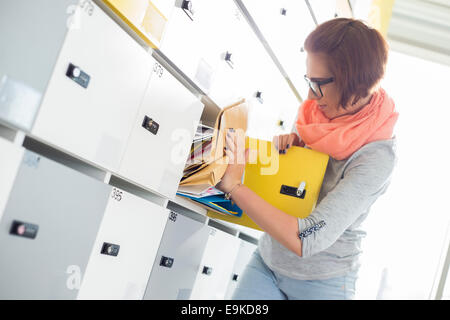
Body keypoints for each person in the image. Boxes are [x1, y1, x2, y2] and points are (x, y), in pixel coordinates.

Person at [215, 18, 399, 300]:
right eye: (309, 81)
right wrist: (290, 154)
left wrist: (235, 187)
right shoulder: (315, 111)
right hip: (269, 261)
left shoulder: (377, 156)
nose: (311, 95)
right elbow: (292, 190)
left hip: (322, 283)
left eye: (319, 84)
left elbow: (309, 237)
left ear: (354, 84)